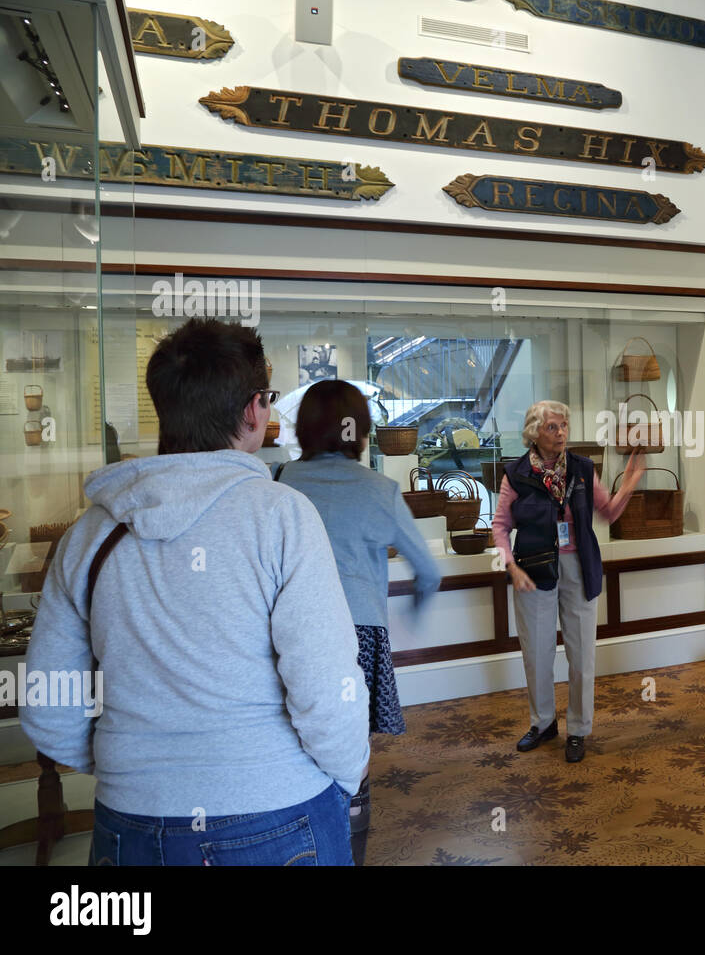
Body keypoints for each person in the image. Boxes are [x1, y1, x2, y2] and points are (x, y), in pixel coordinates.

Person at [21, 317, 368, 866]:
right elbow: (327, 687)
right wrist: (348, 777)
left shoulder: (90, 534)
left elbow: (48, 706)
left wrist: (135, 766)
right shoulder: (282, 517)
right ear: (254, 409)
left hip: (129, 824)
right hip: (278, 811)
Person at [276, 379, 442, 865]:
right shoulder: (380, 489)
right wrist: (408, 615)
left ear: (303, 429)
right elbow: (428, 573)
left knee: (297, 739)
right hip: (360, 634)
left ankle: (300, 844)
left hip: (295, 628)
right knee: (353, 754)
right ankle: (349, 846)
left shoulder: (282, 479)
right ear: (360, 432)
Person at [492, 400, 645, 763]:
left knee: (581, 657)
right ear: (535, 433)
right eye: (552, 428)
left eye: (564, 427)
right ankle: (542, 723)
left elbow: (606, 512)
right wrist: (509, 566)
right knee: (536, 655)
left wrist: (629, 486)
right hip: (532, 571)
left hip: (579, 567)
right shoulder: (515, 474)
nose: (561, 433)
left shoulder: (581, 468)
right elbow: (499, 528)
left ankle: (578, 729)